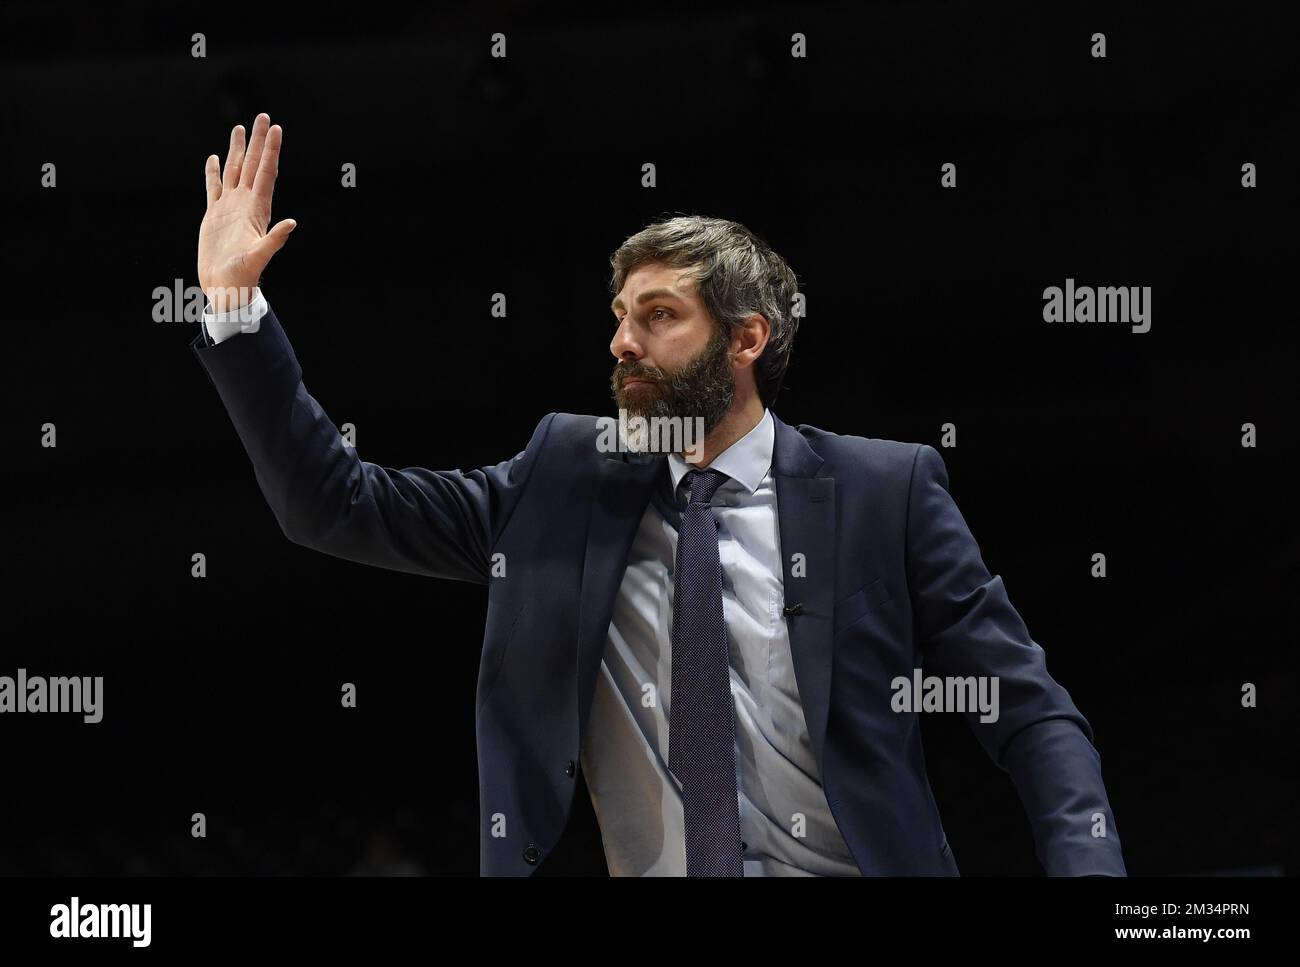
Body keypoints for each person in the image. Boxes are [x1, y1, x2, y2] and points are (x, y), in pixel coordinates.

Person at [191, 113, 1126, 877]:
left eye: (659, 316)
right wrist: (234, 308)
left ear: (747, 338)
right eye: (618, 318)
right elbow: (334, 504)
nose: (621, 344)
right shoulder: (561, 482)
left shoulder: (888, 489)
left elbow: (1028, 706)